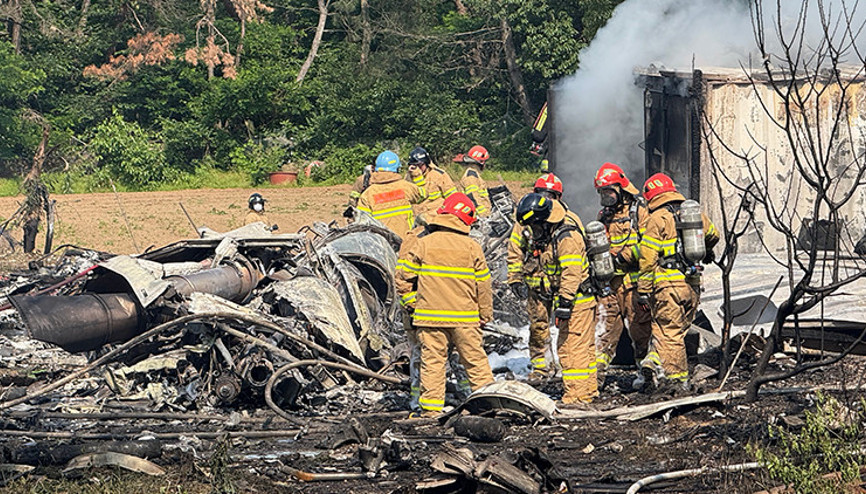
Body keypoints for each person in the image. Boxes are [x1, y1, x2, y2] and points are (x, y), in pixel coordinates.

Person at [395, 193, 495, 417]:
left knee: (432, 363)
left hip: (430, 319)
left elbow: (402, 278)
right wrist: (485, 314)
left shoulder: (424, 244)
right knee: (475, 362)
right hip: (465, 319)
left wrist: (413, 303)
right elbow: (484, 286)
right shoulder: (472, 247)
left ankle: (431, 411)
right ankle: (488, 406)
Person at [636, 173, 719, 390]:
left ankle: (677, 382)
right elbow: (713, 235)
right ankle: (656, 365)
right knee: (678, 331)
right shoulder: (693, 213)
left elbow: (647, 257)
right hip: (692, 284)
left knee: (668, 333)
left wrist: (643, 290)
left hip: (667, 286)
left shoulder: (657, 219)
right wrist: (707, 251)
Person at [515, 193, 598, 406]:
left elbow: (572, 272)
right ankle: (588, 391)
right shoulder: (552, 233)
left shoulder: (566, 238)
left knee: (570, 348)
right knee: (584, 348)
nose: (534, 232)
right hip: (580, 299)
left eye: (535, 227)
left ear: (544, 221)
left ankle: (576, 396)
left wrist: (565, 302)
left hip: (577, 299)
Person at [506, 173, 582, 379]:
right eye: (541, 194)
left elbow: (573, 264)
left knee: (568, 329)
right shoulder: (527, 217)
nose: (546, 199)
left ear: (558, 196)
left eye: (550, 195)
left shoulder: (569, 221)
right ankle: (541, 367)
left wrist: (567, 296)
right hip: (536, 285)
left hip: (562, 286)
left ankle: (570, 368)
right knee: (538, 327)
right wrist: (514, 277)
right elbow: (515, 250)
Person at [592, 163, 652, 384]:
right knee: (604, 329)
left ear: (621, 188)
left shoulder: (640, 212)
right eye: (601, 192)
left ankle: (645, 374)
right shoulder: (604, 216)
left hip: (633, 284)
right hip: (610, 283)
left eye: (608, 191)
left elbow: (648, 245)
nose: (605, 197)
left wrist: (622, 257)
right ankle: (595, 375)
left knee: (640, 329)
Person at [356, 151, 426, 239]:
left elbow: (361, 221)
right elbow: (423, 195)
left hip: (383, 244)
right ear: (397, 169)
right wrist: (417, 175)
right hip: (406, 240)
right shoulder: (405, 187)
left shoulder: (367, 194)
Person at [406, 146, 457, 221]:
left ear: (426, 163)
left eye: (420, 165)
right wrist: (415, 176)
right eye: (415, 166)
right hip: (415, 217)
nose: (418, 168)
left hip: (434, 217)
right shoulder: (409, 177)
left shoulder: (438, 175)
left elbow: (453, 198)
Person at [456, 145, 492, 217]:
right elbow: (473, 198)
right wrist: (484, 215)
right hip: (478, 217)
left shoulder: (475, 174)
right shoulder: (471, 176)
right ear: (481, 162)